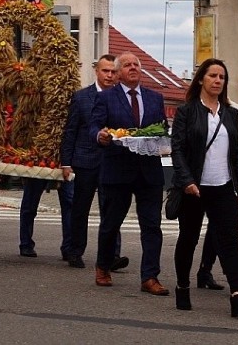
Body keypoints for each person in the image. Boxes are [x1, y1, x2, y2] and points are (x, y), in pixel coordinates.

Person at [170, 58, 238, 317]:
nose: (218, 80)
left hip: (223, 187)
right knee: (189, 239)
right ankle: (183, 286)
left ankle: (237, 296)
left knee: (229, 242)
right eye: (213, 76)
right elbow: (178, 149)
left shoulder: (230, 113)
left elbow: (237, 153)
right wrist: (187, 181)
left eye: (222, 77)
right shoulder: (187, 111)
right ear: (201, 79)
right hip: (195, 188)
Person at [89, 52, 169, 296]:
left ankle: (150, 276)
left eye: (136, 64)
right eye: (127, 65)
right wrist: (100, 136)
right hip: (117, 169)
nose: (133, 67)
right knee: (111, 223)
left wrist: (163, 141)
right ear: (118, 71)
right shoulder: (106, 98)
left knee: (152, 226)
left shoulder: (155, 98)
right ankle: (103, 266)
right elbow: (94, 125)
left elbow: (163, 129)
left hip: (149, 172)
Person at [60, 54, 127, 270]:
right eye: (105, 71)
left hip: (113, 163)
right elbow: (70, 131)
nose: (109, 75)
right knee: (80, 208)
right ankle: (75, 250)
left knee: (111, 210)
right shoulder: (81, 98)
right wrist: (65, 162)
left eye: (113, 71)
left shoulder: (122, 98)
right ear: (96, 71)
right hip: (85, 161)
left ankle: (112, 255)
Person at [195, 99, 238, 291]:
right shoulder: (194, 109)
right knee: (195, 233)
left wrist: (236, 150)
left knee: (222, 230)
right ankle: (189, 281)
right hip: (200, 179)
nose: (218, 82)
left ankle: (228, 284)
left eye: (222, 77)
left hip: (226, 178)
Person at [17, 178, 73, 260]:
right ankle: (26, 244)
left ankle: (68, 248)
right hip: (39, 168)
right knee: (30, 204)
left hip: (67, 167)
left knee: (69, 203)